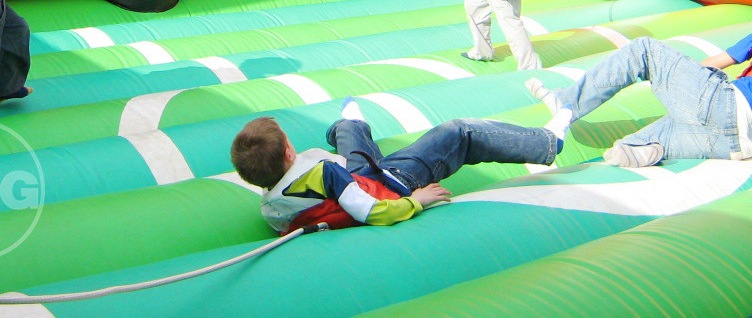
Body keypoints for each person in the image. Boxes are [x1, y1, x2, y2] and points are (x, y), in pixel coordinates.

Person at [230, 97, 570, 234]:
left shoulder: (270, 205)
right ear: (289, 153)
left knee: (353, 139)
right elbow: (370, 211)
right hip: (393, 182)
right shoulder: (323, 173)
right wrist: (415, 201)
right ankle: (548, 142)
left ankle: (349, 126)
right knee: (458, 132)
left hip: (356, 178)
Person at [526, 34, 752, 167]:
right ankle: (649, 148)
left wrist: (683, 78)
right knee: (627, 149)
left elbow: (713, 63)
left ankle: (567, 102)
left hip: (727, 104)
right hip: (735, 147)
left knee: (644, 49)